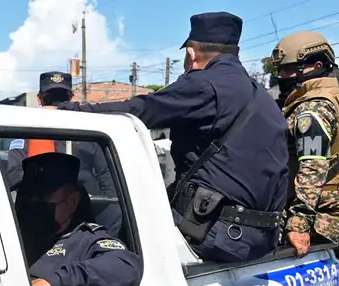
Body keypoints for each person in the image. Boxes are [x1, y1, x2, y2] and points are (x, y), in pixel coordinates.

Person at [56, 12, 290, 264]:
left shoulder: (204, 85)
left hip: (217, 236)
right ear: (236, 53)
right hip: (263, 237)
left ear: (191, 53)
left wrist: (65, 111)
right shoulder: (262, 98)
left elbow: (140, 110)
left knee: (108, 241)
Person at [271, 31, 339, 257]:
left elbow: (312, 168)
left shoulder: (313, 109)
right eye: (280, 70)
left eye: (288, 69)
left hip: (319, 220)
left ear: (316, 65)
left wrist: (298, 224)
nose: (282, 76)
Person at [4, 71, 123, 235]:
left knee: (114, 213)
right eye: (50, 98)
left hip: (84, 214)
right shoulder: (25, 135)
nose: (56, 105)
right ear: (40, 100)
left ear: (71, 98)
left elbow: (107, 177)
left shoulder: (89, 134)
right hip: (41, 216)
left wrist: (112, 209)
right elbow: (14, 175)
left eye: (62, 99)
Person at [13, 152, 143, 286]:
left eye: (43, 197)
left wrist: (54, 281)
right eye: (28, 194)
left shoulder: (86, 242)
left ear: (72, 201)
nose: (33, 202)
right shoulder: (13, 235)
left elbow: (126, 270)